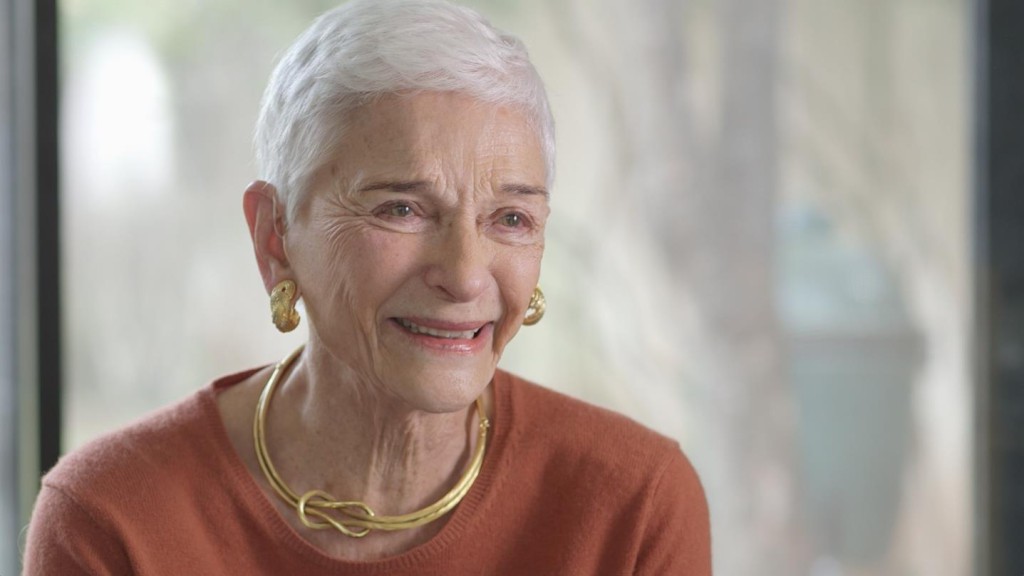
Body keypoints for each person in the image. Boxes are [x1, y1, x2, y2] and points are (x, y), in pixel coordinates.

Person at [23, 0, 711, 573]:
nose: (466, 274)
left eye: (510, 218)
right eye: (401, 208)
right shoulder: (111, 518)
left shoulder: (633, 505)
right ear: (275, 236)